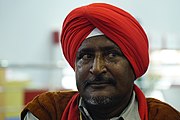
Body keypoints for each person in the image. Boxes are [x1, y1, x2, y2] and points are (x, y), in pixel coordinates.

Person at [21, 3, 180, 120]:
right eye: (86, 56)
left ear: (133, 64)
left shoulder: (163, 116)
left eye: (111, 55)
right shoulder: (49, 111)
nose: (96, 69)